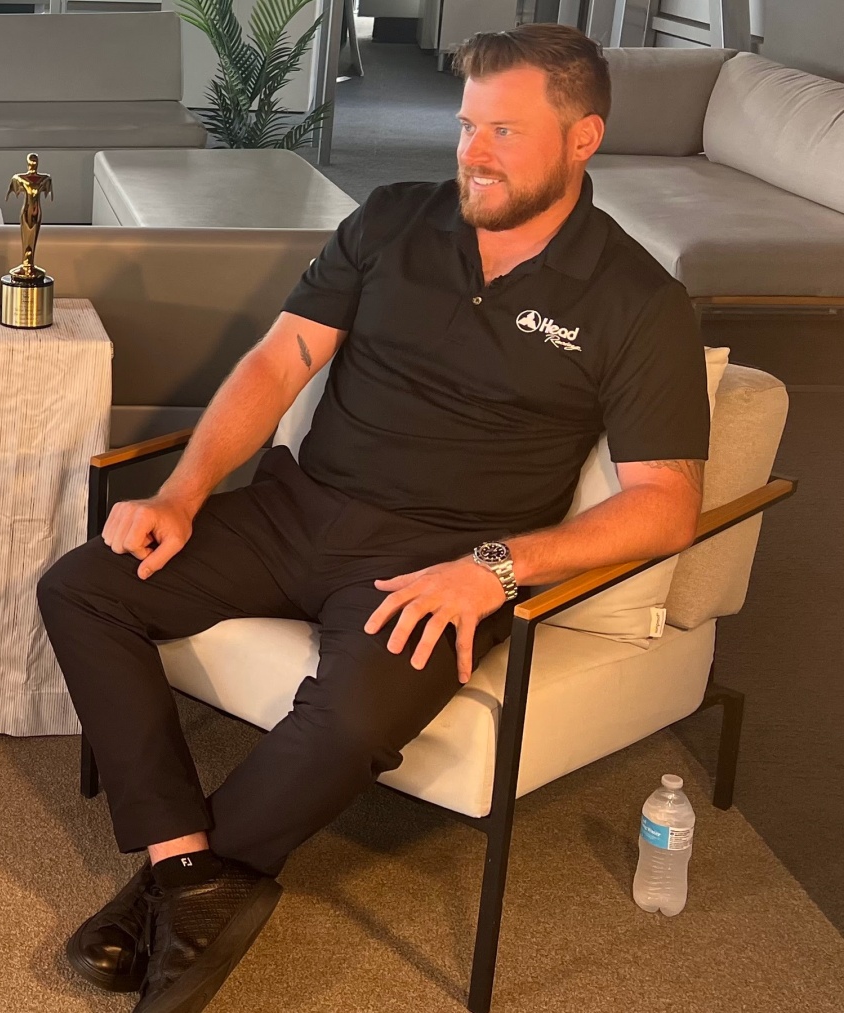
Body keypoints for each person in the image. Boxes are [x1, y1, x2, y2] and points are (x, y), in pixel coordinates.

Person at [37, 25, 709, 1013]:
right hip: (295, 509)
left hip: (441, 561)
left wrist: (493, 569)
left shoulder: (638, 301)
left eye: (506, 131)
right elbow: (280, 360)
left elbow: (666, 506)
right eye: (467, 125)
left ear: (583, 138)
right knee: (83, 586)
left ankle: (162, 896)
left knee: (349, 720)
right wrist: (182, 492)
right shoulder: (393, 218)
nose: (474, 153)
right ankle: (184, 872)